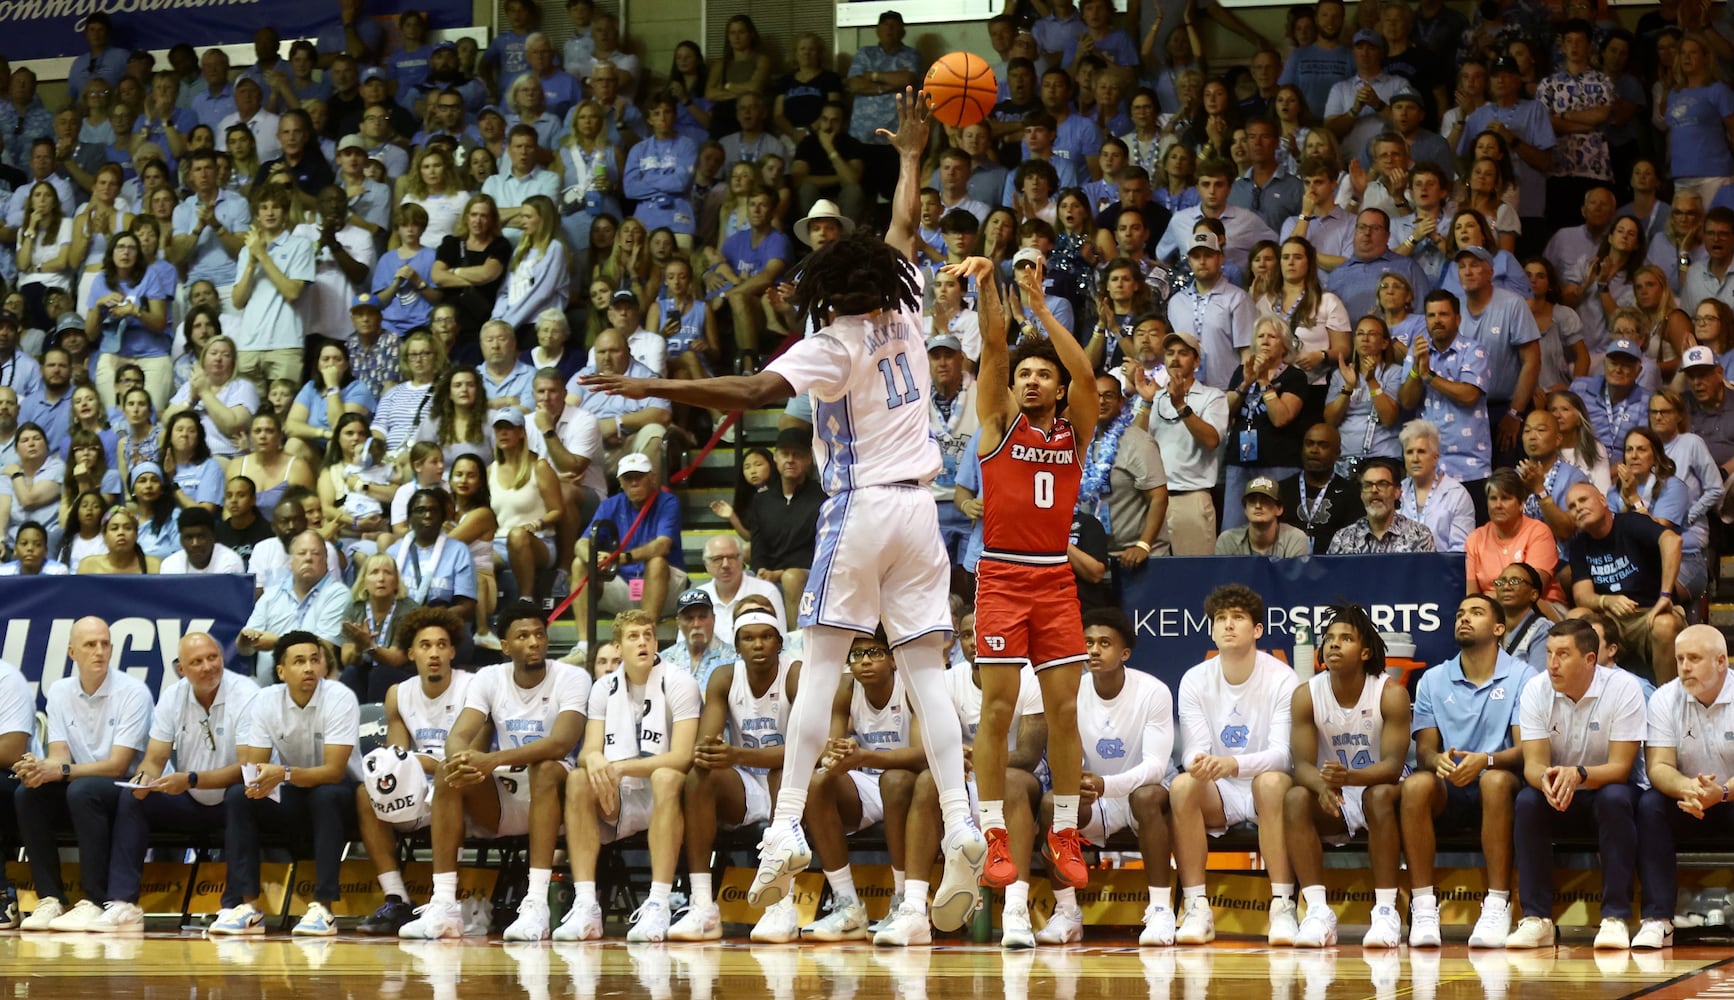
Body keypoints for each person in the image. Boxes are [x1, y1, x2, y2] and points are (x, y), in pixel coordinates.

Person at [397, 600, 590, 941]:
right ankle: (444, 906)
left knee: (546, 769)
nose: (533, 642)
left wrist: (492, 760)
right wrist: (461, 761)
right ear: (505, 646)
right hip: (502, 797)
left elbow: (561, 742)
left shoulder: (572, 677)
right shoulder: (489, 677)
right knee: (447, 772)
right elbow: (459, 735)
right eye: (523, 636)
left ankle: (536, 904)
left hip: (557, 797)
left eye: (539, 635)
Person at [1022, 607, 1175, 946]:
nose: (1093, 650)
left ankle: (1161, 911)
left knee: (1148, 796)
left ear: (1124, 653)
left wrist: (1108, 785)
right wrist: (1074, 784)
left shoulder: (1154, 691)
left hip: (1139, 793)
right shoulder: (1070, 691)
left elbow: (1156, 766)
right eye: (1088, 642)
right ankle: (1067, 913)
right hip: (1094, 797)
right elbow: (1063, 754)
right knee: (1053, 804)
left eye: (1104, 643)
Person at [89, 632, 259, 931]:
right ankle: (123, 904)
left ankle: (234, 906)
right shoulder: (172, 696)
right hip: (191, 799)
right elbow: (154, 759)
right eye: (197, 662)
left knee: (239, 795)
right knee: (133, 799)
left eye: (213, 658)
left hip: (235, 800)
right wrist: (144, 780)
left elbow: (248, 767)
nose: (208, 666)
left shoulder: (247, 693)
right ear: (182, 669)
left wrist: (191, 780)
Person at [555, 609, 701, 942]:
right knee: (578, 779)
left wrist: (618, 766)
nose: (643, 642)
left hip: (670, 796)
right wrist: (593, 761)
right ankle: (586, 905)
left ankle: (659, 904)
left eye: (648, 635)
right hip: (619, 795)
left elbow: (681, 757)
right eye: (634, 636)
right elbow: (590, 750)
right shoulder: (603, 688)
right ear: (619, 647)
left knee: (665, 776)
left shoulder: (680, 682)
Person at [1169, 584, 1301, 945]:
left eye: (1237, 618)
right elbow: (1193, 751)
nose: (1228, 625)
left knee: (1271, 783)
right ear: (1211, 628)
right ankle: (1197, 907)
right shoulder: (1195, 679)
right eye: (1221, 619)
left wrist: (1233, 763)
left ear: (1257, 630)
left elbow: (1283, 755)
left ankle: (1283, 905)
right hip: (1221, 788)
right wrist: (1196, 763)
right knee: (1182, 786)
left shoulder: (1282, 678)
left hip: (1266, 785)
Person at [1399, 594, 1529, 948]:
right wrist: (1436, 760)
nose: (1464, 619)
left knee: (1496, 781)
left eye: (1476, 613)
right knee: (1414, 786)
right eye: (1459, 614)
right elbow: (1425, 749)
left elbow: (1526, 751)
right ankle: (1424, 906)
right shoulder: (1433, 679)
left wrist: (1485, 761)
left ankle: (1497, 903)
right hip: (1451, 784)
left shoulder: (1523, 675)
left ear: (1499, 628)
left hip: (1501, 781)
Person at [209, 630, 358, 936]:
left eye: (315, 660)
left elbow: (333, 771)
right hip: (294, 793)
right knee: (239, 795)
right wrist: (260, 781)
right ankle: (247, 908)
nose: (309, 668)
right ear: (281, 671)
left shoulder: (340, 697)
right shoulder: (265, 699)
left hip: (345, 795)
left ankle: (323, 909)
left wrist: (283, 773)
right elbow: (255, 766)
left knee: (325, 795)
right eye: (300, 661)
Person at [1508, 618, 1646, 949]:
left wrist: (1579, 774)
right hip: (1560, 792)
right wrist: (1547, 780)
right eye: (1549, 653)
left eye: (1563, 654)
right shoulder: (1535, 689)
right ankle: (1536, 918)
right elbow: (1533, 764)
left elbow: (1621, 767)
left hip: (1605, 788)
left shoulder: (1624, 688)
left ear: (1589, 659)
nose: (1552, 663)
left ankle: (1614, 917)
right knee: (1527, 801)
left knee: (1615, 798)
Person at [12, 616, 153, 931]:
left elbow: (118, 765)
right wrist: (40, 769)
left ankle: (94, 899)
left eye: (105, 644)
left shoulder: (133, 692)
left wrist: (59, 770)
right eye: (90, 645)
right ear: (72, 652)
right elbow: (60, 756)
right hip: (81, 784)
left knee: (82, 790)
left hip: (127, 789)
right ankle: (50, 898)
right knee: (28, 792)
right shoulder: (60, 691)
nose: (99, 651)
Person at [1285, 602, 1411, 948]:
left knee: (1380, 795)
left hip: (1377, 787)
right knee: (1295, 797)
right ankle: (1318, 911)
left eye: (1345, 638)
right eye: (1329, 638)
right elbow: (1302, 765)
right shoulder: (1306, 695)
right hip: (1335, 793)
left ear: (1366, 651)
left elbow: (1392, 767)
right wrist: (1322, 787)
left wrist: (1346, 779)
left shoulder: (1390, 693)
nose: (1334, 644)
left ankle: (1386, 912)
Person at [666, 608, 791, 942]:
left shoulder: (796, 674)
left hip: (794, 784)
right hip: (747, 784)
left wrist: (736, 754)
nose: (758, 645)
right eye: (749, 638)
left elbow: (806, 751)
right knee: (699, 776)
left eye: (766, 637)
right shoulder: (724, 676)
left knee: (782, 771)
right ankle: (703, 904)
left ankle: (783, 904)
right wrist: (711, 752)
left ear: (780, 642)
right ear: (736, 646)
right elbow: (706, 747)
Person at [351, 607, 472, 936]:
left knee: (451, 779)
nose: (434, 653)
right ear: (410, 653)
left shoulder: (473, 687)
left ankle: (443, 900)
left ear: (452, 651)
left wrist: (429, 764)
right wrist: (424, 764)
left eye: (441, 645)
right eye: (425, 645)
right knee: (366, 793)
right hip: (420, 790)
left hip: (467, 791)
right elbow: (397, 759)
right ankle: (396, 899)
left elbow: (468, 757)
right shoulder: (398, 694)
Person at [1635, 624, 1734, 951]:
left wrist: (1718, 793)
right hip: (1687, 800)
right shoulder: (1665, 698)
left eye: (1694, 658)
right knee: (1649, 804)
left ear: (1721, 661)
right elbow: (1659, 766)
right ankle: (1657, 920)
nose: (1684, 667)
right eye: (1679, 659)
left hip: (1729, 796)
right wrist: (1690, 790)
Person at [569, 452, 687, 648]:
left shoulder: (668, 502)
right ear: (620, 482)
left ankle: (647, 639)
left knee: (657, 562)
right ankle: (584, 644)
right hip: (623, 582)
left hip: (664, 585)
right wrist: (593, 557)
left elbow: (662, 545)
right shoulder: (610, 505)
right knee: (578, 564)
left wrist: (622, 558)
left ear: (652, 478)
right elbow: (580, 544)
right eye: (628, 478)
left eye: (639, 476)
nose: (634, 482)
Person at [1128, 330, 1227, 553]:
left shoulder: (1213, 397)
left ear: (1197, 361)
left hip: (1191, 498)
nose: (1175, 358)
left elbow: (1212, 440)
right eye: (1170, 353)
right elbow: (1134, 444)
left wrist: (1181, 405)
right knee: (1153, 576)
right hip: (1152, 501)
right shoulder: (1154, 396)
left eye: (1183, 353)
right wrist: (1145, 402)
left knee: (1196, 577)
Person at [237, 530, 349, 681]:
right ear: (291, 561)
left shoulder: (338, 594)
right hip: (269, 692)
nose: (308, 558)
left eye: (315, 553)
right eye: (302, 553)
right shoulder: (270, 595)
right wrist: (245, 641)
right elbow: (246, 649)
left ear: (326, 560)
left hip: (319, 689)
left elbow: (325, 647)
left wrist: (278, 642)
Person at [743, 428, 824, 616]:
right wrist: (761, 569)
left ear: (809, 459)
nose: (790, 459)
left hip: (808, 571)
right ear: (775, 459)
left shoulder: (822, 497)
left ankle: (795, 639)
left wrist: (779, 574)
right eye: (784, 454)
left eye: (797, 455)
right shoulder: (761, 500)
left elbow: (820, 546)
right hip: (771, 571)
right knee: (740, 576)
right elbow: (758, 544)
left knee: (791, 577)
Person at [1279, 423, 1364, 553]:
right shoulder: (1283, 489)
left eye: (1323, 445)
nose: (1314, 450)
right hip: (1288, 565)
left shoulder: (1350, 494)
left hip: (1333, 566)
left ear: (1337, 454)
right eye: (1309, 444)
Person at [1326, 457, 1439, 553]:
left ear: (1397, 492)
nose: (1374, 490)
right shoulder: (1342, 539)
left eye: (1383, 484)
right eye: (1368, 485)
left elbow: (1427, 578)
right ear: (1361, 494)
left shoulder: (1419, 536)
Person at [1216, 476, 1311, 556]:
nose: (1258, 506)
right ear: (1245, 509)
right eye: (1252, 501)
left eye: (1265, 501)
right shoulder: (1228, 540)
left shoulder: (1295, 539)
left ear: (1279, 509)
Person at [660, 589, 737, 686]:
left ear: (713, 619)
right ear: (678, 623)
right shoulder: (666, 659)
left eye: (702, 617)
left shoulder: (733, 659)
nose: (696, 624)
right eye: (689, 618)